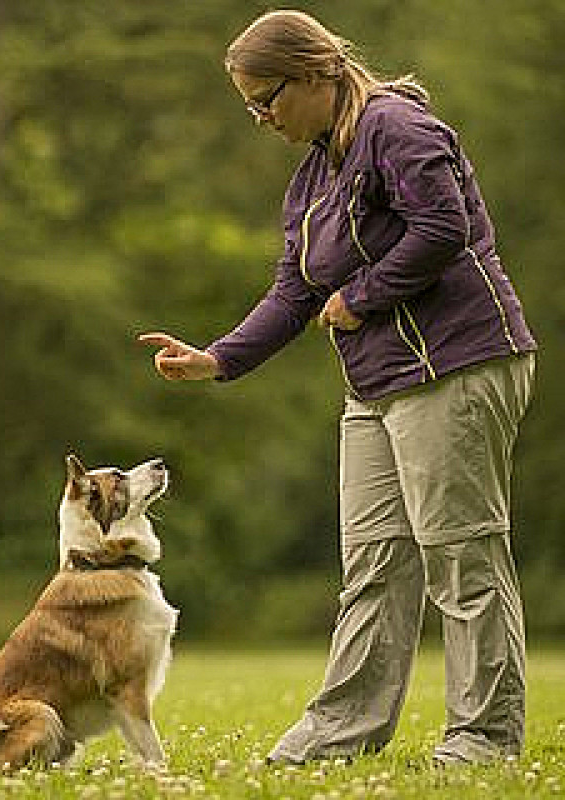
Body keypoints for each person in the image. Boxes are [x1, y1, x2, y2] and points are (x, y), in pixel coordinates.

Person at [139, 9, 537, 766]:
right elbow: (292, 294)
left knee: (462, 554)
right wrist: (217, 359)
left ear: (316, 72)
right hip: (377, 385)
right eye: (250, 105)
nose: (260, 117)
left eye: (267, 98)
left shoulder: (397, 129)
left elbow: (443, 226)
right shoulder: (312, 178)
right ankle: (339, 734)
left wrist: (364, 295)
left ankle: (484, 738)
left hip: (456, 364)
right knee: (374, 565)